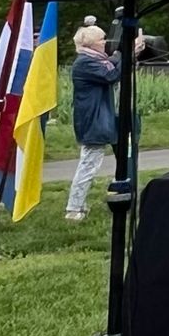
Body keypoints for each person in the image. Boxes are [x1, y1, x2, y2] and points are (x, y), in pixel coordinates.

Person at [66, 24, 119, 223]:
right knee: (88, 165)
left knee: (89, 162)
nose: (105, 42)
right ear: (90, 44)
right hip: (93, 120)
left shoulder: (92, 60)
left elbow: (111, 67)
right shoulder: (86, 63)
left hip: (95, 118)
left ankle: (78, 205)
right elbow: (111, 75)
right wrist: (126, 55)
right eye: (101, 39)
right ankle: (74, 208)